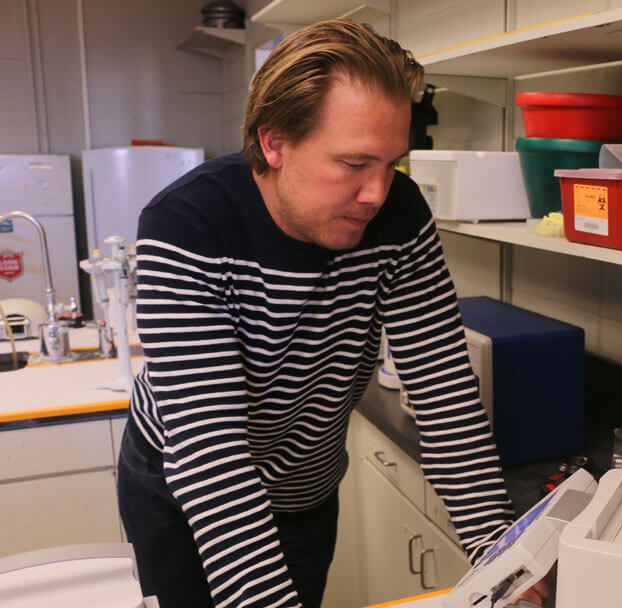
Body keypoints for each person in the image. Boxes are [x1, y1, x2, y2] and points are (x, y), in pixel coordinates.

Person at [117, 20, 524, 607]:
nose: (377, 194)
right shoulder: (186, 225)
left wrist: (504, 559)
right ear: (276, 142)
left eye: (392, 164)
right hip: (185, 487)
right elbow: (212, 452)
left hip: (306, 486)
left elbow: (444, 395)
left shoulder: (399, 218)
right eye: (355, 164)